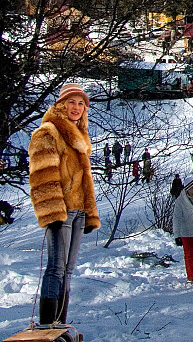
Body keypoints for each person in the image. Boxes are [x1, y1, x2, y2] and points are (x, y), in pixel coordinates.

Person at [28, 83, 100, 326]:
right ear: (60, 105)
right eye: (72, 102)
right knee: (56, 268)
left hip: (79, 211)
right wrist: (52, 212)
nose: (76, 108)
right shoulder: (48, 132)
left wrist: (89, 212)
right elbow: (42, 178)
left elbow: (84, 182)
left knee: (68, 270)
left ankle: (59, 324)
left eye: (81, 104)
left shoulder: (79, 136)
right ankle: (48, 323)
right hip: (61, 211)